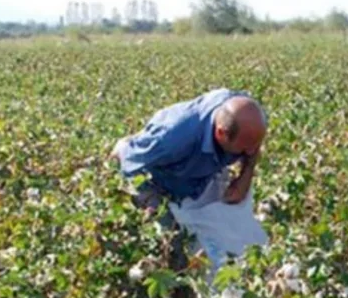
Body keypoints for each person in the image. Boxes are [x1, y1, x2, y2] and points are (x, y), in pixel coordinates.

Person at [113, 89, 269, 272]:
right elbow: (127, 161)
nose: (250, 152)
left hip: (200, 174)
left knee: (232, 228)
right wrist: (151, 204)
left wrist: (246, 175)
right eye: (244, 148)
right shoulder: (171, 138)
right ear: (220, 133)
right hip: (158, 180)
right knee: (172, 243)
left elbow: (253, 146)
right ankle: (180, 289)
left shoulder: (249, 116)